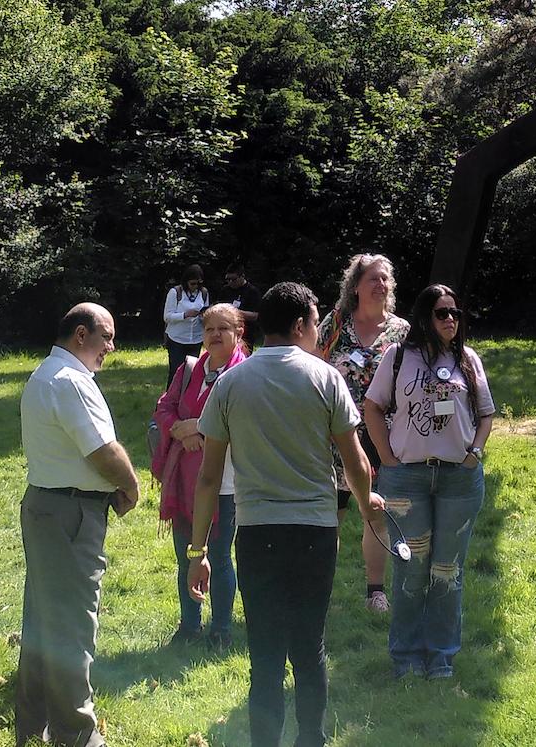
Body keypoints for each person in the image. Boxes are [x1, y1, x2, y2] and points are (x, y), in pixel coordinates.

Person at [189, 282, 384, 747]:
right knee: (309, 648)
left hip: (256, 533)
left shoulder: (229, 383)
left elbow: (208, 478)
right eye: (316, 322)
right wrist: (366, 503)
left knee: (266, 656)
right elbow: (355, 461)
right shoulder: (324, 377)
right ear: (299, 325)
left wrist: (198, 550)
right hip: (314, 533)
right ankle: (311, 741)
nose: (318, 332)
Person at [16, 303, 141, 747]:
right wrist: (131, 485)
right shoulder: (70, 381)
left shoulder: (45, 374)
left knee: (43, 619)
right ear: (82, 334)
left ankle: (32, 723)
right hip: (71, 513)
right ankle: (76, 734)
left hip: (47, 507)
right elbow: (102, 451)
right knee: (71, 624)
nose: (111, 347)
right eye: (107, 337)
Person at [363, 282, 496, 679]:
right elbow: (372, 407)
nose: (451, 319)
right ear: (424, 317)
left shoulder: (467, 359)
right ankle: (405, 656)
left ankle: (441, 656)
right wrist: (388, 459)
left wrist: (475, 452)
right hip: (407, 480)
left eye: (456, 313)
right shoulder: (398, 357)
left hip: (459, 479)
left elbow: (486, 413)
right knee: (411, 570)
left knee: (447, 571)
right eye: (442, 313)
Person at [315, 252, 408, 613]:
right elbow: (312, 366)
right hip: (334, 434)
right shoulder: (334, 325)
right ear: (355, 286)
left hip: (383, 435)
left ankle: (375, 592)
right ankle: (320, 588)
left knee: (375, 512)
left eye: (385, 279)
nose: (381, 285)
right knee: (329, 514)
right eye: (373, 278)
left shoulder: (402, 331)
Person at [153, 302, 246, 648]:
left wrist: (201, 429)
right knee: (187, 555)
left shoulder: (244, 373)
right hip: (185, 481)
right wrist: (179, 428)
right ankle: (189, 625)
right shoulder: (190, 369)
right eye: (209, 329)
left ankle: (220, 629)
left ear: (238, 333)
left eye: (224, 328)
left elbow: (243, 422)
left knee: (219, 558)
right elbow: (163, 407)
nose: (216, 335)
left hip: (225, 484)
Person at [162, 264, 210, 385]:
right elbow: (167, 317)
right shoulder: (175, 292)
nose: (195, 287)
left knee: (192, 372)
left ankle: (187, 401)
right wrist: (185, 315)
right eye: (192, 283)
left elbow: (205, 313)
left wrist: (203, 316)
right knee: (176, 373)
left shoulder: (203, 293)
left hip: (196, 339)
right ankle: (170, 401)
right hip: (177, 339)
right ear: (186, 281)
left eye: (198, 284)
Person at [222, 263, 264, 339]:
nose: (230, 282)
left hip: (246, 334)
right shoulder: (225, 290)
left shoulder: (252, 291)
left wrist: (235, 312)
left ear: (242, 276)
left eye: (234, 279)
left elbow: (256, 316)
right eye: (228, 279)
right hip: (227, 332)